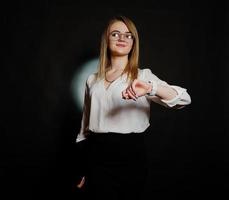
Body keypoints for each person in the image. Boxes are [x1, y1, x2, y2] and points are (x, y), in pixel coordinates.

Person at [74, 15, 191, 200]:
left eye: (128, 35)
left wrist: (151, 88)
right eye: (115, 34)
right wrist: (81, 166)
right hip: (96, 156)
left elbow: (184, 99)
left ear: (133, 43)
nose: (122, 38)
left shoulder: (143, 76)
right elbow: (84, 130)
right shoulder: (92, 80)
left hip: (130, 158)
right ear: (106, 39)